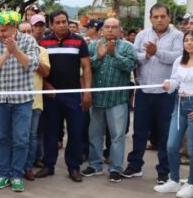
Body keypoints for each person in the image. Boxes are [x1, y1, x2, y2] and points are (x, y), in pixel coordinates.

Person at [153, 30, 193, 198]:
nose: (189, 43)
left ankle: (190, 184)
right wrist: (169, 84)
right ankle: (174, 180)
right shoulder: (179, 60)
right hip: (180, 104)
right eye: (186, 40)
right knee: (172, 145)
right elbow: (175, 81)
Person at [124, 4, 183, 183]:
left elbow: (178, 58)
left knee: (166, 134)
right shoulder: (142, 35)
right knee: (140, 131)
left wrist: (157, 52)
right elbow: (134, 56)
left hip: (166, 93)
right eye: (155, 16)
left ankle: (164, 171)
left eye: (162, 16)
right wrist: (147, 56)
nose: (159, 20)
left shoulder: (177, 36)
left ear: (169, 18)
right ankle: (135, 165)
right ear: (150, 18)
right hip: (144, 90)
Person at [0, 11, 39, 192]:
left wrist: (15, 50)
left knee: (21, 139)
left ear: (14, 28)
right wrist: (7, 54)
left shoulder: (28, 41)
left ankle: (16, 175)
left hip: (22, 100)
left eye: (4, 30)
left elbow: (32, 65)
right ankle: (3, 174)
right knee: (1, 138)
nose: (0, 34)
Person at [38, 10, 92, 182]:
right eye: (58, 22)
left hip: (73, 94)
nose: (62, 25)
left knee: (75, 131)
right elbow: (39, 69)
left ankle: (74, 167)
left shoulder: (78, 40)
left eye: (64, 21)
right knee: (51, 132)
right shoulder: (43, 43)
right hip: (51, 95)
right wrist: (46, 85)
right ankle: (48, 165)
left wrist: (87, 92)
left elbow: (87, 68)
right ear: (51, 25)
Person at [81, 18, 137, 183]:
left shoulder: (127, 47)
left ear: (120, 30)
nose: (110, 30)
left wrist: (115, 55)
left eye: (114, 27)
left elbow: (131, 66)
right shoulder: (92, 45)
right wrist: (98, 58)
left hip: (117, 99)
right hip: (97, 99)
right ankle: (95, 164)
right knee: (94, 134)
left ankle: (115, 168)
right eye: (107, 27)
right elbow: (86, 68)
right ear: (102, 30)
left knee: (117, 136)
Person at [17, 21, 50, 181]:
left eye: (29, 31)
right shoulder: (11, 50)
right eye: (23, 32)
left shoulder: (41, 50)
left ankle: (28, 166)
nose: (27, 35)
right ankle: (15, 166)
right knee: (16, 136)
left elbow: (45, 72)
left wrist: (32, 58)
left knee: (31, 136)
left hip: (34, 101)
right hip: (15, 100)